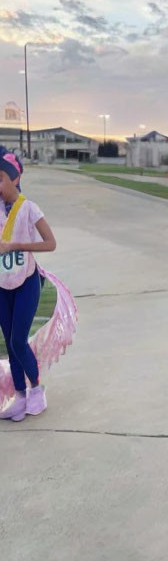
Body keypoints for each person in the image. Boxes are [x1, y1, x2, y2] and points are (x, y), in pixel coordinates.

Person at [0, 147, 77, 421]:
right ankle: (19, 397)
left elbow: (50, 243)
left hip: (27, 281)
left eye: (0, 179)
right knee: (9, 343)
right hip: (2, 285)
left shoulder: (29, 208)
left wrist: (14, 245)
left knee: (19, 340)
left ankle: (37, 390)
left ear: (15, 179)